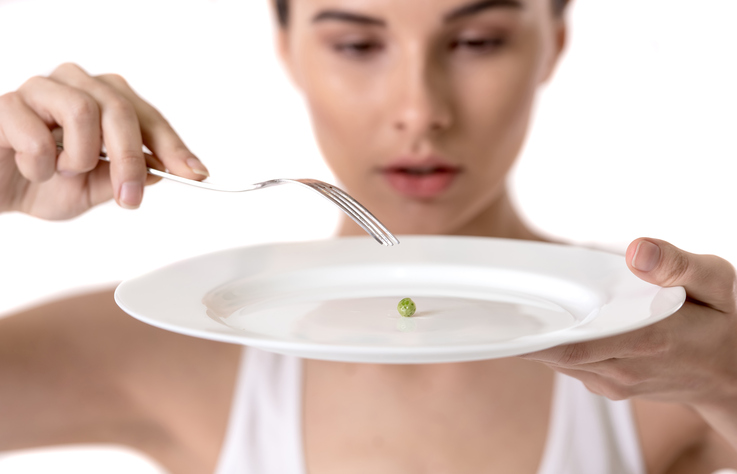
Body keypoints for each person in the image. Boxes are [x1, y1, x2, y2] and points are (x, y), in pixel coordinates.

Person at [2, 0, 737, 473]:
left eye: (477, 40)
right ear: (288, 48)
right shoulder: (170, 342)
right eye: (356, 45)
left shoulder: (663, 348)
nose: (419, 110)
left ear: (553, 42)